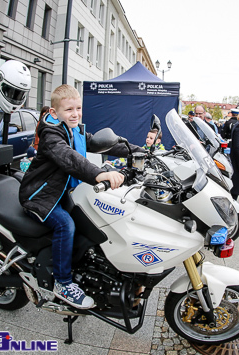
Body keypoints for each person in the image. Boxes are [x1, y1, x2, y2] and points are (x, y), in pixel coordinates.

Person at [19, 85, 145, 308]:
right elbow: (69, 158)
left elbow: (100, 143)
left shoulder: (74, 130)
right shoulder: (51, 134)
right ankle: (63, 283)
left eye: (78, 108)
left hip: (66, 192)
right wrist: (99, 174)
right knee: (65, 225)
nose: (75, 113)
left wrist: (140, 151)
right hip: (41, 196)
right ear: (55, 113)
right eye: (69, 110)